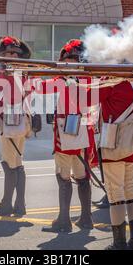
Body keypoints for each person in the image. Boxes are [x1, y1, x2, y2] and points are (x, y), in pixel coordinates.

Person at [36, 39, 96, 233]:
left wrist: (34, 73)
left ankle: (64, 220)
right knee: (82, 177)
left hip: (66, 133)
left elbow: (40, 88)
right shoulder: (89, 78)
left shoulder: (63, 80)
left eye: (68, 60)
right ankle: (86, 218)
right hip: (84, 133)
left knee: (63, 177)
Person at [97, 78, 133, 250]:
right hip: (132, 144)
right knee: (130, 189)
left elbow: (85, 98)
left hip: (114, 144)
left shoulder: (111, 84)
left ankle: (119, 244)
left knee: (115, 193)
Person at [0, 36, 33, 217]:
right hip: (19, 119)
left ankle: (7, 205)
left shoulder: (11, 72)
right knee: (16, 163)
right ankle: (19, 204)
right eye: (8, 53)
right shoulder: (21, 70)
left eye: (14, 53)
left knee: (10, 163)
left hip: (11, 121)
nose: (12, 55)